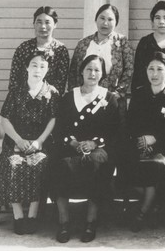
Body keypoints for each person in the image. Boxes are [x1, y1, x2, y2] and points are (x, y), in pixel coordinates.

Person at [51, 55, 120, 243]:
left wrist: (94, 143)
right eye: (88, 69)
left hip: (98, 147)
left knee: (97, 163)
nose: (92, 73)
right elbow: (60, 128)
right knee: (59, 165)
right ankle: (63, 222)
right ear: (81, 71)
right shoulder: (68, 97)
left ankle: (91, 222)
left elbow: (114, 131)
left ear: (103, 74)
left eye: (97, 70)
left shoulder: (109, 98)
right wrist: (73, 143)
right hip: (70, 145)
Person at [0, 50, 58, 235]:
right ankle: (18, 216)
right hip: (16, 141)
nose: (38, 69)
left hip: (40, 143)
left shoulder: (52, 92)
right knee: (13, 164)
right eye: (34, 65)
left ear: (47, 70)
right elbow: (5, 119)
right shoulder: (16, 91)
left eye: (42, 66)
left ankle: (32, 215)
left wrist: (39, 142)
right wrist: (18, 140)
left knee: (38, 164)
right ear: (27, 68)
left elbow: (53, 120)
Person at [126, 51, 165, 232]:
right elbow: (131, 123)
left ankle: (143, 212)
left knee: (156, 164)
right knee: (123, 161)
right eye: (151, 69)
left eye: (159, 69)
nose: (154, 73)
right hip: (140, 144)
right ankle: (157, 201)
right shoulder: (139, 94)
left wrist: (155, 138)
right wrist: (141, 139)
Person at [68, 4, 134, 121]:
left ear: (116, 22)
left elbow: (129, 70)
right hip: (84, 100)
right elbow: (74, 72)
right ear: (96, 19)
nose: (105, 23)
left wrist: (117, 94)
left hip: (112, 101)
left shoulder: (122, 42)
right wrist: (76, 96)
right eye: (102, 18)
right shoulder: (83, 43)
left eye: (110, 19)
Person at [8, 6, 69, 95]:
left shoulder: (60, 50)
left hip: (50, 101)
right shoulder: (24, 48)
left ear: (55, 24)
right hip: (22, 100)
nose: (43, 26)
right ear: (34, 24)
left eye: (47, 22)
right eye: (39, 22)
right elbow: (14, 80)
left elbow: (60, 84)